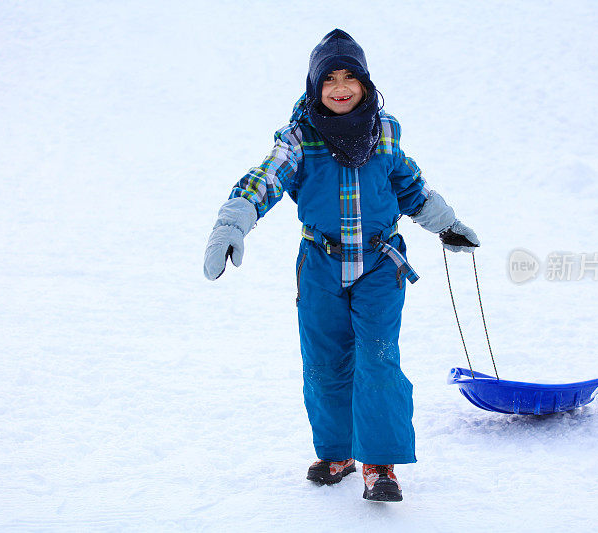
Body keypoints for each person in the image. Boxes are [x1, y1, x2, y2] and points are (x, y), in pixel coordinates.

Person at [203, 29, 479, 502]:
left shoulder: (384, 130)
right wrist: (232, 223)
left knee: (376, 358)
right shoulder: (299, 137)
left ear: (366, 83)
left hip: (379, 262)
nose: (340, 87)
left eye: (350, 76)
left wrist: (446, 224)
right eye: (329, 78)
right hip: (320, 264)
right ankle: (338, 452)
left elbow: (411, 186)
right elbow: (263, 179)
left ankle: (379, 463)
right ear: (314, 87)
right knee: (326, 362)